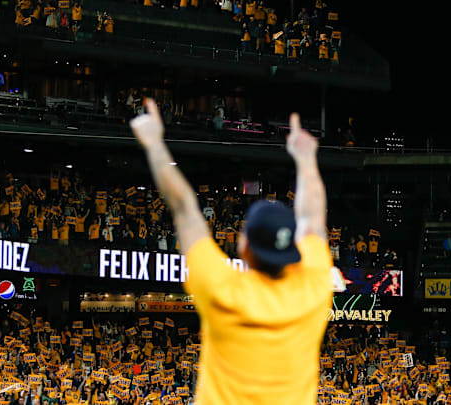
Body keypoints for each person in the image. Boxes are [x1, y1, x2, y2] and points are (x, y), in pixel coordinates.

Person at [130, 99, 340, 404]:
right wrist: (306, 159)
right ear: (293, 252)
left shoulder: (223, 291)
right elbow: (313, 220)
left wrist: (153, 143)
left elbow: (185, 208)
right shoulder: (313, 288)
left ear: (243, 247)